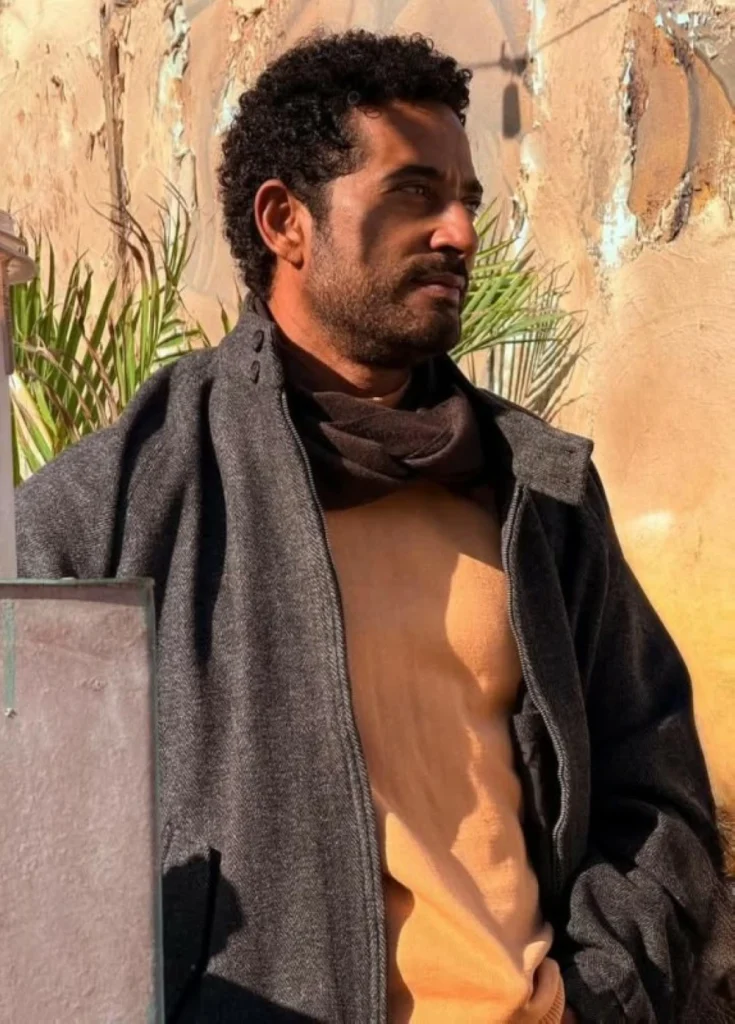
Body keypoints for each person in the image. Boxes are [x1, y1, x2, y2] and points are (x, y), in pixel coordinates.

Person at [16, 30, 729, 1024]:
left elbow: (656, 790)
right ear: (286, 221)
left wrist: (600, 993)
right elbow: (38, 870)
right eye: (413, 193)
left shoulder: (538, 491)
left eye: (467, 199)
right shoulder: (120, 506)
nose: (460, 232)